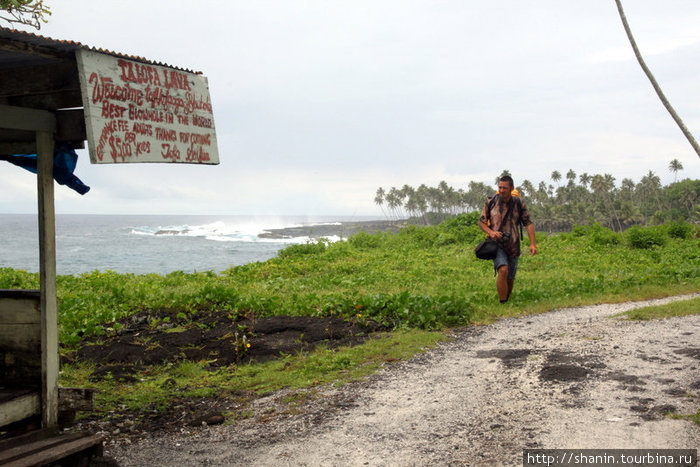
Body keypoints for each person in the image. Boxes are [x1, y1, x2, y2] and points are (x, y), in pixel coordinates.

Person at [478, 175, 537, 303]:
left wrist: (533, 244)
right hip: (497, 244)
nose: (502, 190)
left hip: (513, 244)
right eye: (500, 187)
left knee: (510, 277)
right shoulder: (491, 202)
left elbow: (528, 223)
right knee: (503, 270)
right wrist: (491, 232)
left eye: (504, 188)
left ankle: (507, 299)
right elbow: (481, 222)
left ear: (511, 188)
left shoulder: (519, 203)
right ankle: (503, 302)